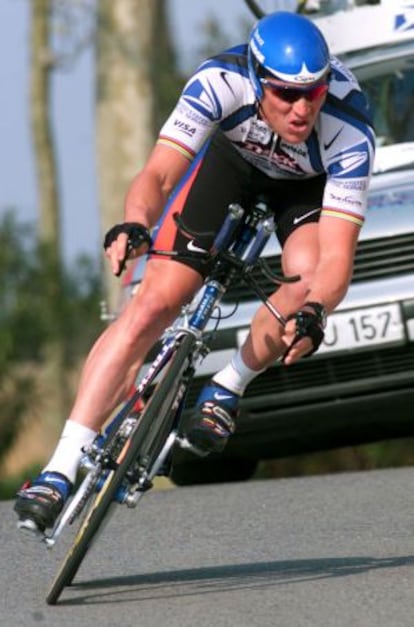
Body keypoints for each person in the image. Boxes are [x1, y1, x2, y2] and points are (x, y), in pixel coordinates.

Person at [14, 11, 375, 532]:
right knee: (153, 305)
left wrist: (318, 310)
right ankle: (59, 467)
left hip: (304, 188)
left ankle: (228, 387)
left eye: (313, 94)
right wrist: (135, 225)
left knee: (304, 277)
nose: (302, 110)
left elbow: (338, 257)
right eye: (285, 95)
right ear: (255, 80)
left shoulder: (349, 130)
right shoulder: (218, 81)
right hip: (233, 164)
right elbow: (160, 173)